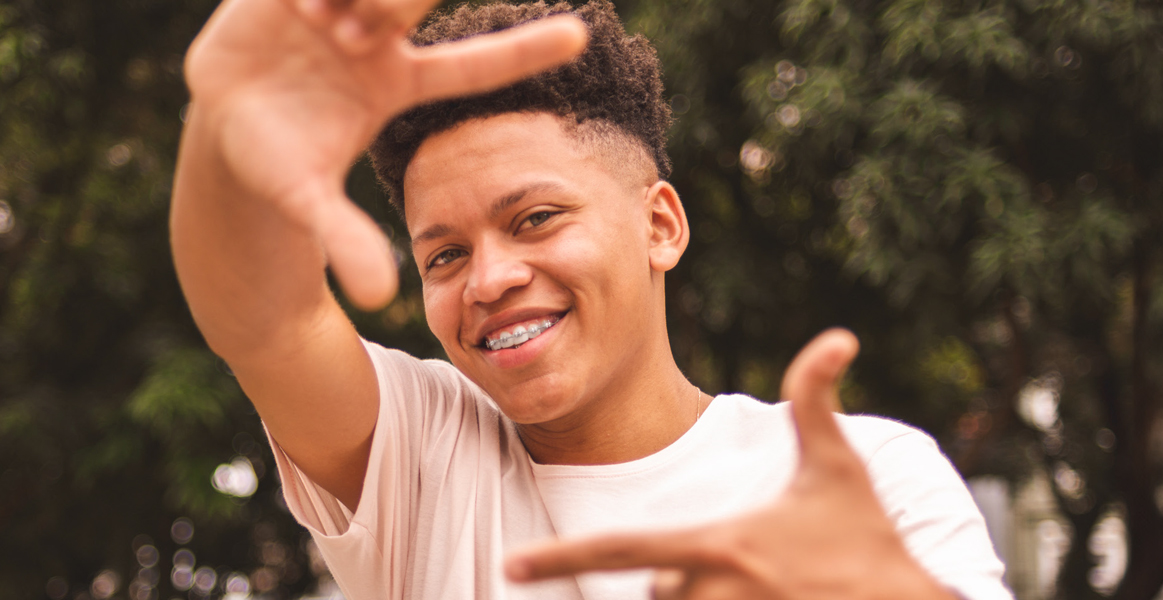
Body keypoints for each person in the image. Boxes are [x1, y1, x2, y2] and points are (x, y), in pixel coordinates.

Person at [170, 0, 1012, 597]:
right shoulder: (423, 460)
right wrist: (224, 132)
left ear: (660, 226)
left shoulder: (871, 477)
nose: (489, 280)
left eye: (535, 219)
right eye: (445, 255)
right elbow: (268, 320)